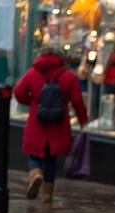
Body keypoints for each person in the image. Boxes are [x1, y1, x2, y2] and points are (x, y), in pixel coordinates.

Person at [13, 46, 88, 203]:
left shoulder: (32, 73)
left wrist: (33, 103)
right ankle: (47, 194)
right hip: (59, 124)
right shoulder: (68, 76)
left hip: (37, 122)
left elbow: (19, 92)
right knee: (51, 159)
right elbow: (77, 101)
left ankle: (35, 174)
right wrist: (82, 119)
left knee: (34, 155)